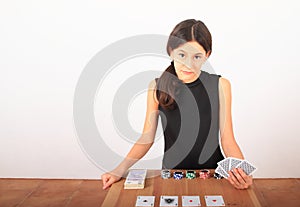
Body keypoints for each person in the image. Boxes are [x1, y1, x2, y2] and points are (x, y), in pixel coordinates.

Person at [101, 19, 253, 190]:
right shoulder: (157, 87)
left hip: (212, 173)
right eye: (182, 55)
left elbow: (228, 139)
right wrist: (118, 170)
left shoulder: (220, 85)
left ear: (207, 55)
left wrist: (241, 171)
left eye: (197, 56)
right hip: (173, 174)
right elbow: (146, 138)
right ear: (171, 52)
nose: (188, 64)